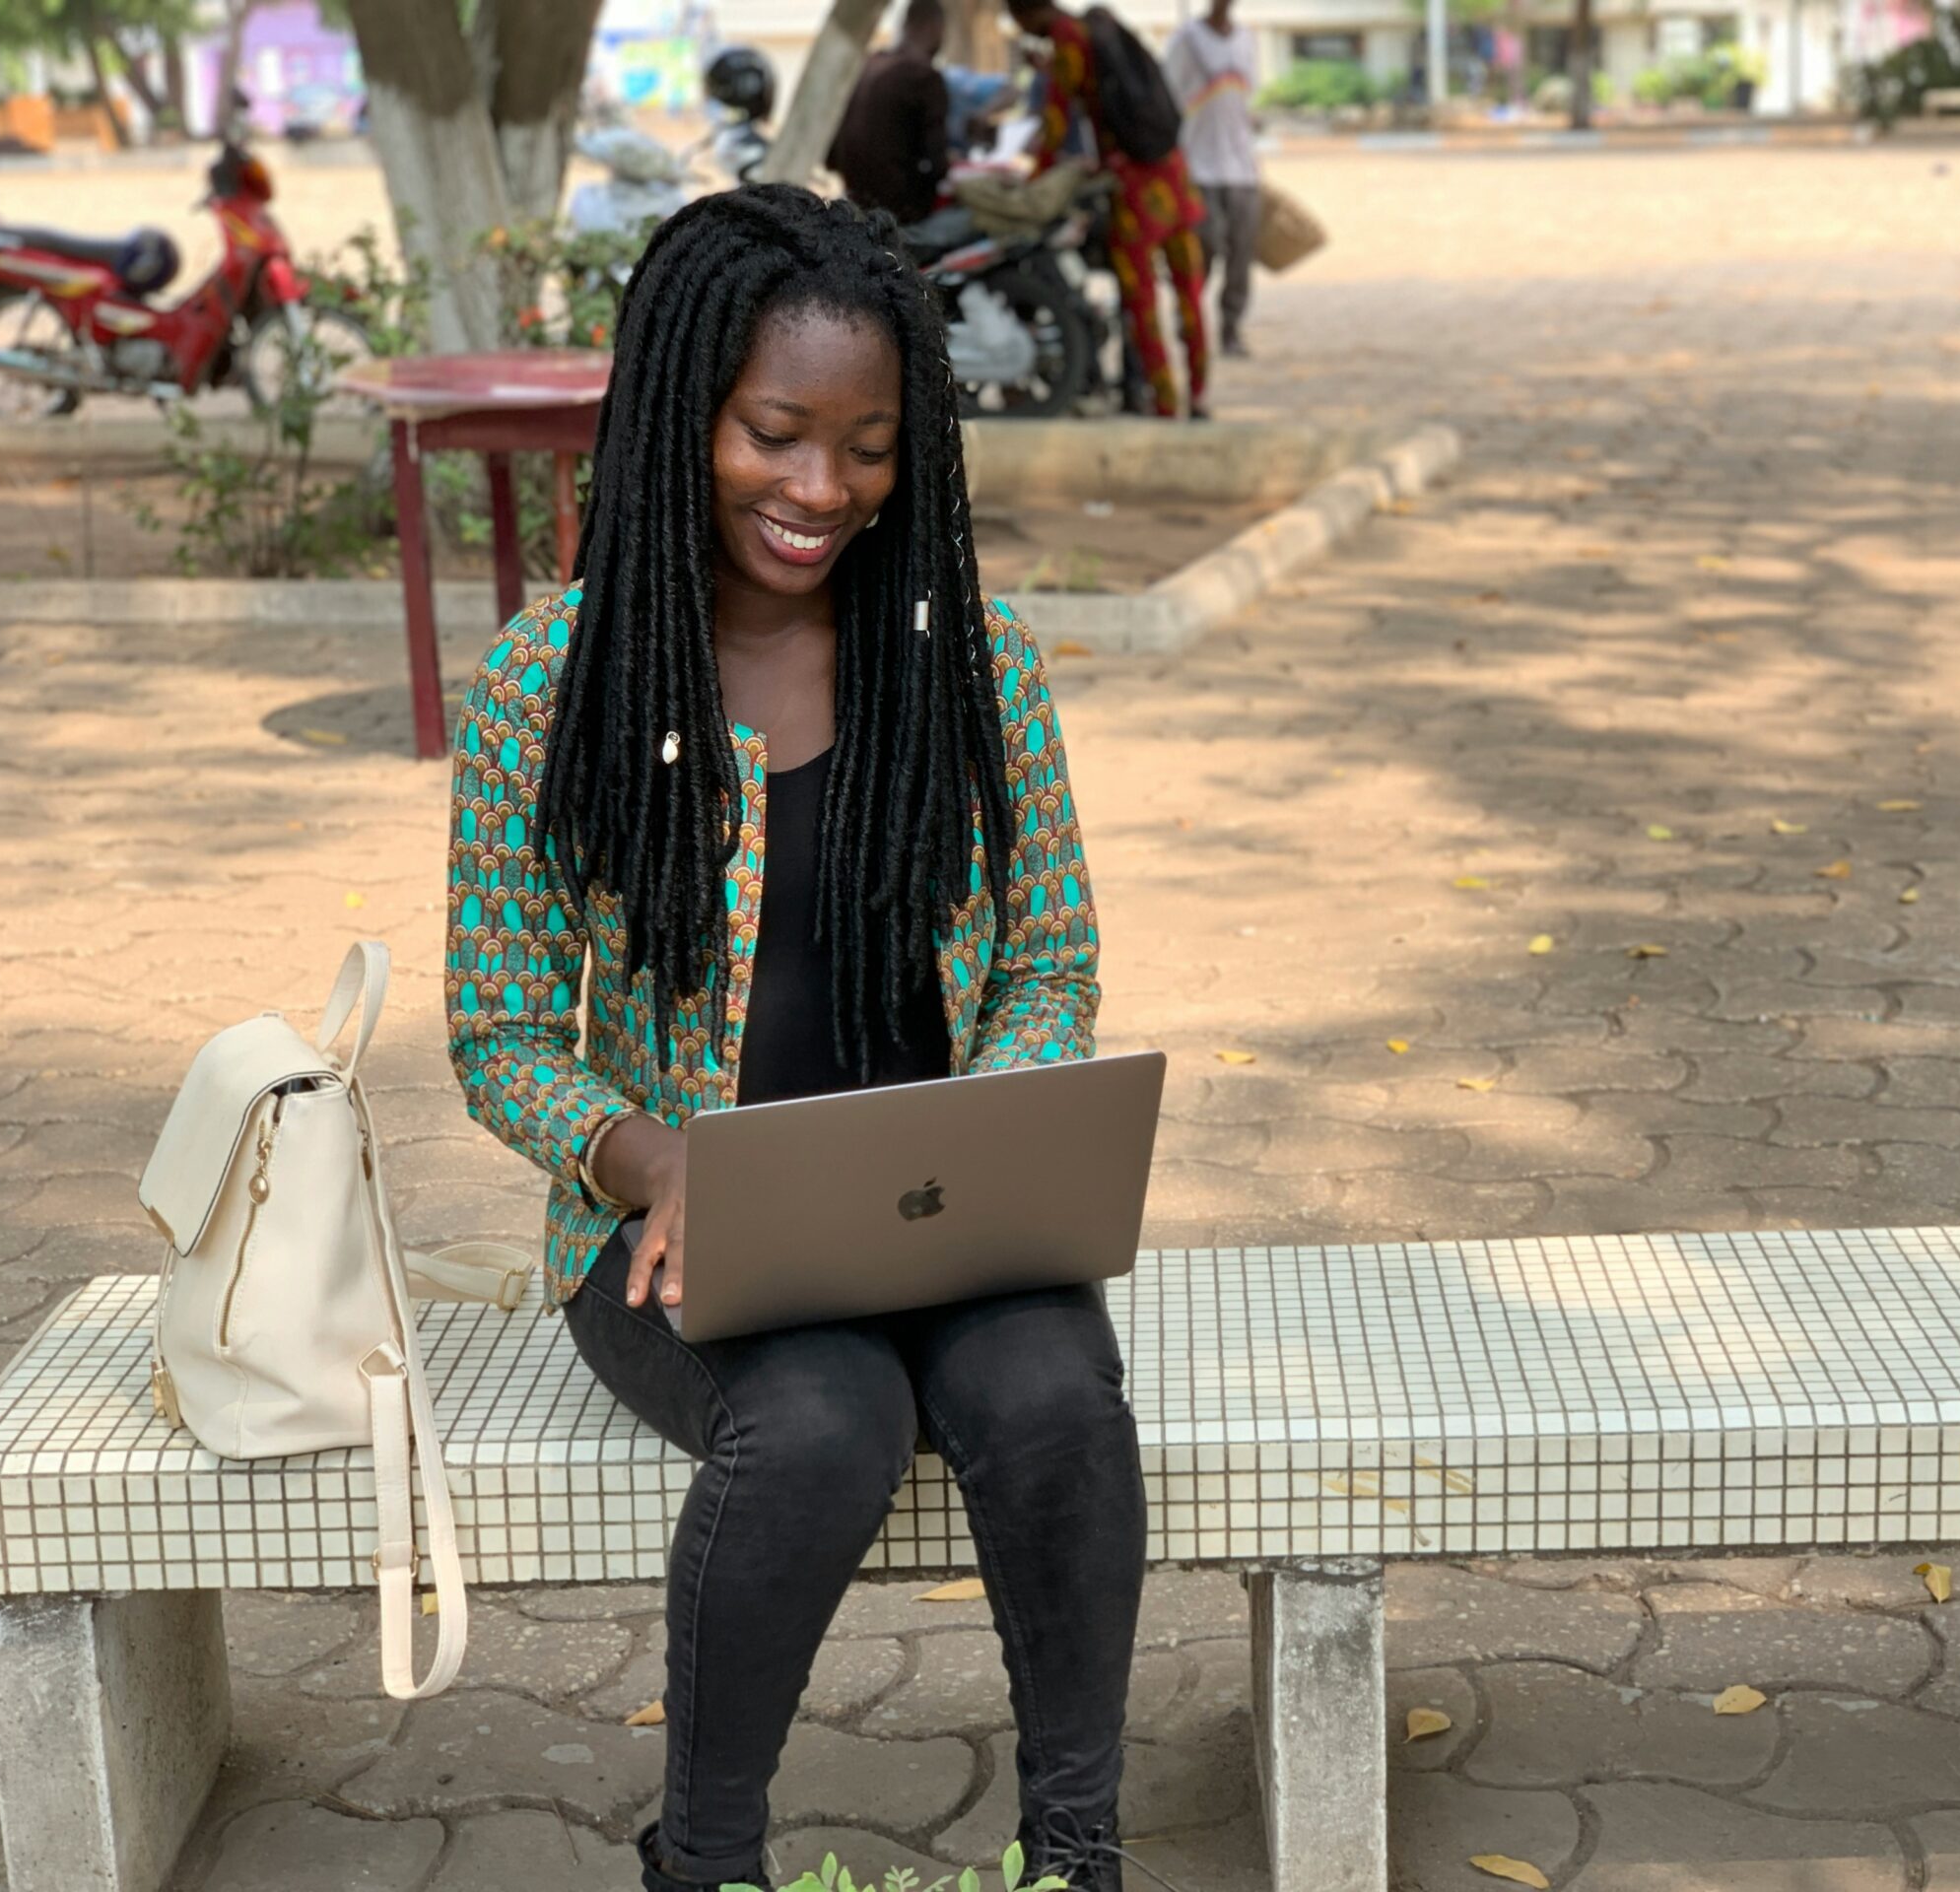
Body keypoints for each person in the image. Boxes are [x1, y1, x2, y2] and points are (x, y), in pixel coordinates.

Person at [443, 186, 1143, 1892]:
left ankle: (1077, 1854)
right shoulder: (558, 684)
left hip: (944, 1214)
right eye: (774, 433)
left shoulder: (969, 665)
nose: (821, 490)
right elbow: (502, 1027)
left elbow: (1051, 956)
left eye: (870, 446)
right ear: (687, 409)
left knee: (1055, 1392)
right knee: (822, 1423)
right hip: (679, 1237)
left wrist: (1000, 1117)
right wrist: (649, 1155)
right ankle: (705, 1861)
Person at [1010, 0, 1210, 418]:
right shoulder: (1100, 25)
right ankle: (1200, 394)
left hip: (1136, 190)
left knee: (1142, 302)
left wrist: (1036, 182)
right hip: (1173, 174)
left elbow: (1056, 120)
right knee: (1190, 293)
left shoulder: (1068, 39)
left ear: (1022, 14)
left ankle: (1166, 405)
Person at [1161, 0, 1258, 359]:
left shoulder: (1247, 39)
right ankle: (1188, 319)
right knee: (1207, 246)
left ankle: (1230, 328)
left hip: (1242, 168)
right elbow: (1169, 96)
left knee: (1241, 255)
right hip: (1199, 165)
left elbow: (1247, 99)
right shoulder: (1186, 39)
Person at [830, 0, 953, 226]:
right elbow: (938, 166)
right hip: (902, 214)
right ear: (936, 29)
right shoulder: (924, 76)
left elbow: (831, 156)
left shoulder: (866, 66)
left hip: (856, 204)